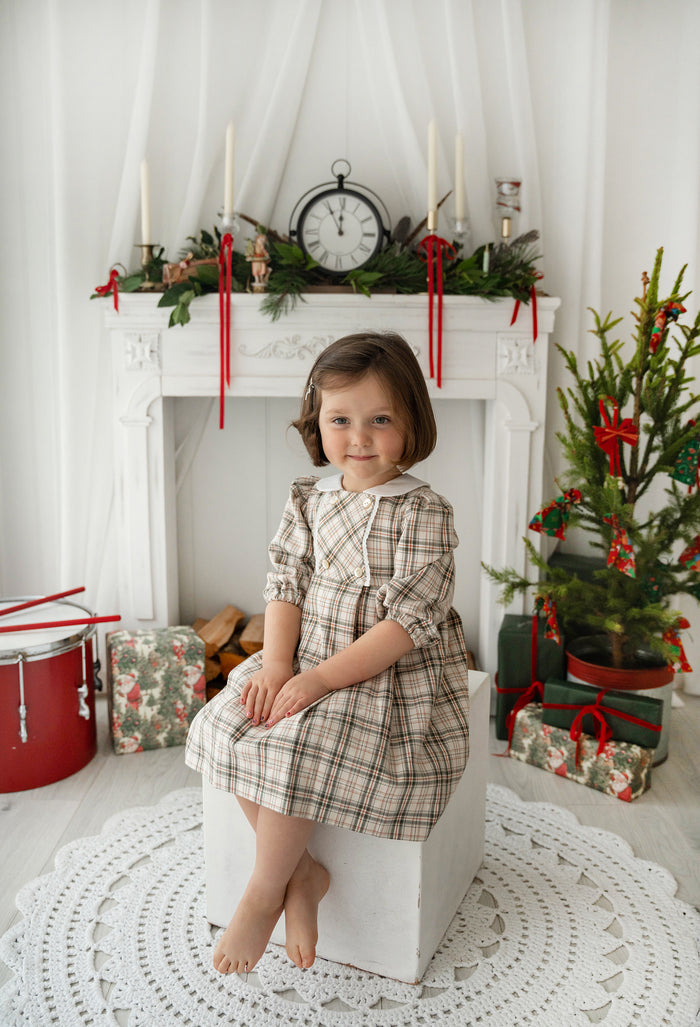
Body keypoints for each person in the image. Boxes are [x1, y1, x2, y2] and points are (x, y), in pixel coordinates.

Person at [185, 331, 470, 976]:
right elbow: (285, 586)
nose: (358, 438)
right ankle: (302, 873)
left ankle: (262, 894)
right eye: (340, 420)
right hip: (305, 650)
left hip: (382, 669)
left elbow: (405, 625)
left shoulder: (424, 511)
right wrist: (280, 666)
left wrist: (315, 683)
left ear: (411, 423)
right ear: (318, 421)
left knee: (294, 744)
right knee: (231, 726)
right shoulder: (309, 500)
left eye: (380, 420)